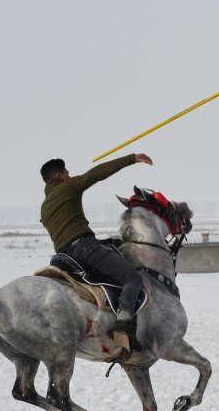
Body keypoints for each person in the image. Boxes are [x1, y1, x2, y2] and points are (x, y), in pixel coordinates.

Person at [39, 153, 153, 360]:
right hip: (85, 248)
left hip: (66, 256)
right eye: (66, 172)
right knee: (132, 277)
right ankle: (123, 324)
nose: (69, 175)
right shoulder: (67, 187)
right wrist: (131, 159)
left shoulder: (45, 206)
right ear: (58, 175)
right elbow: (96, 174)